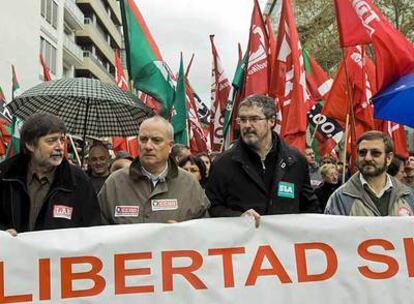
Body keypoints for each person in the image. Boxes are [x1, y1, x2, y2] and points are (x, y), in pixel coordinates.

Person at [206, 95, 320, 227]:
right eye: (242, 120)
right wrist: (238, 217)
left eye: (254, 119)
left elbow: (310, 208)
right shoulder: (223, 163)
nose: (247, 125)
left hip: (283, 244)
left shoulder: (295, 161)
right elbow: (212, 207)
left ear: (272, 121)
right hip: (243, 244)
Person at [0, 113, 101, 236]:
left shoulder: (79, 181)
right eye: (51, 141)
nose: (59, 147)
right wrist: (3, 233)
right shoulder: (5, 175)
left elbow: (93, 230)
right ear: (30, 145)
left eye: (62, 140)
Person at [98, 116, 209, 224]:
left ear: (170, 146)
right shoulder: (114, 184)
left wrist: (183, 233)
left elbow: (203, 231)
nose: (148, 146)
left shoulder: (189, 184)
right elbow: (98, 230)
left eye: (156, 140)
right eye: (143, 139)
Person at [325, 131, 414, 216]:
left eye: (375, 153)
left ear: (388, 158)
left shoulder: (408, 195)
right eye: (362, 153)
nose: (367, 158)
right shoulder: (340, 198)